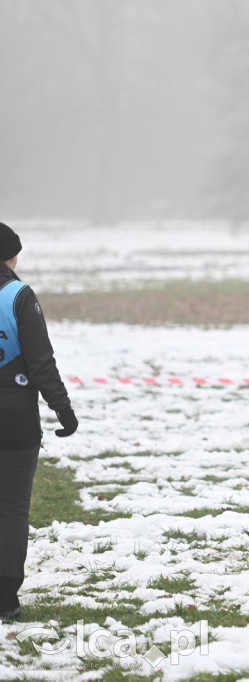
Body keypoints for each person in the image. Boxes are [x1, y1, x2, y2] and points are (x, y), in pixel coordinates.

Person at [0, 222, 78, 624]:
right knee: (12, 507)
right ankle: (4, 599)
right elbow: (40, 361)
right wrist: (62, 408)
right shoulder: (19, 296)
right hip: (14, 417)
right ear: (11, 257)